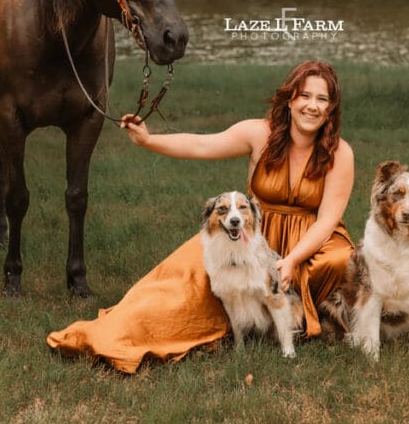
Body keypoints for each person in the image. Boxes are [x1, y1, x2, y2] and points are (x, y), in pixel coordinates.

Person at [46, 60, 354, 372]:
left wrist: (291, 261)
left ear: (331, 108)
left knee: (340, 260)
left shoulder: (340, 153)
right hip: (249, 233)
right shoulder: (259, 134)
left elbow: (328, 220)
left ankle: (306, 319)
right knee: (182, 278)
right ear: (290, 99)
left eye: (322, 99)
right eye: (305, 96)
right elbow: (201, 144)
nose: (312, 106)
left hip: (310, 238)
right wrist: (149, 140)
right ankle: (128, 327)